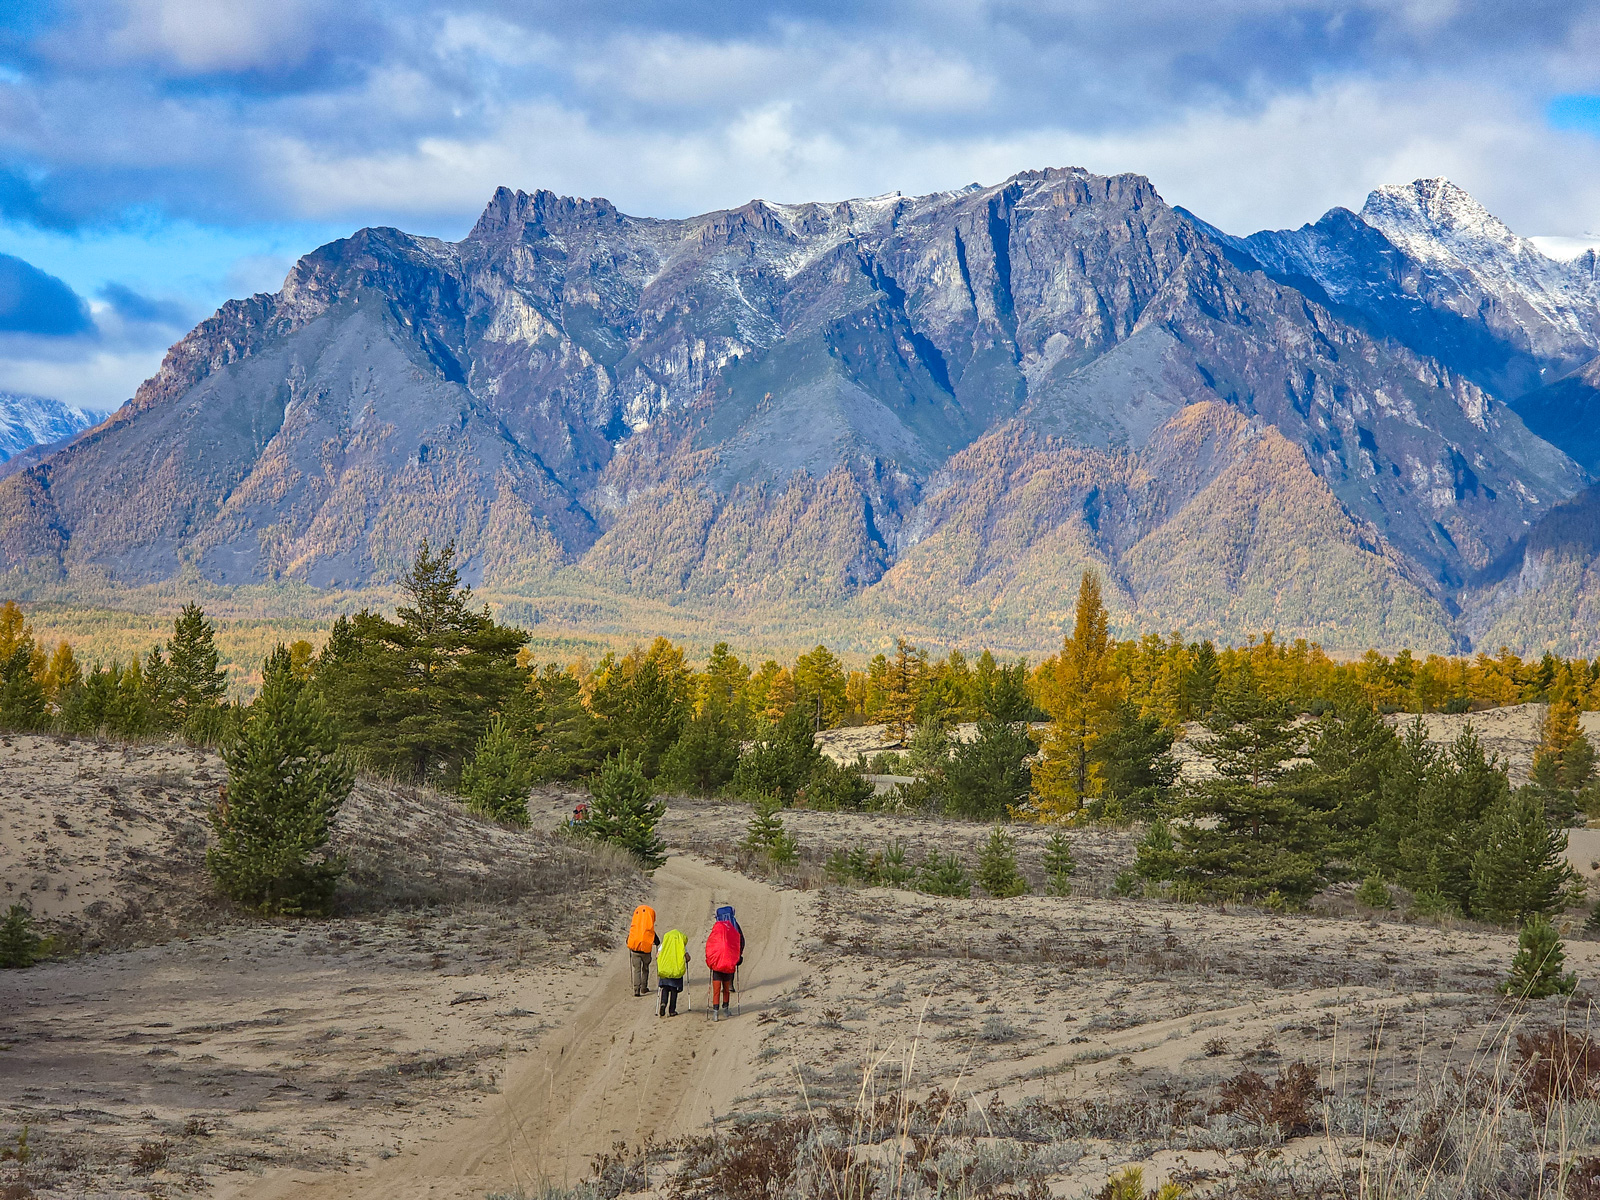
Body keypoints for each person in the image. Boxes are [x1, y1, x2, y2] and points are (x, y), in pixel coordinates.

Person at [703, 904, 744, 1020]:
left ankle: (715, 1013)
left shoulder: (716, 928)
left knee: (716, 991)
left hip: (717, 965)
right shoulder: (734, 926)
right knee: (726, 989)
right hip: (729, 964)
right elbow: (740, 941)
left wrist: (710, 961)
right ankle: (726, 1010)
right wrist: (738, 957)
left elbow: (710, 945)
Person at [626, 904, 659, 997]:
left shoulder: (635, 927)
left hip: (635, 951)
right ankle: (644, 987)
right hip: (646, 951)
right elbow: (657, 941)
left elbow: (628, 939)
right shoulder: (649, 929)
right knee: (645, 968)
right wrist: (656, 943)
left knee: (637, 970)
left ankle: (636, 989)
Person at [656, 928, 690, 1017]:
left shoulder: (665, 943)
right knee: (674, 990)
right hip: (676, 971)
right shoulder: (681, 943)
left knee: (665, 988)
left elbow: (657, 955)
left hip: (665, 970)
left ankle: (663, 1003)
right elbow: (687, 957)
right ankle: (672, 1010)